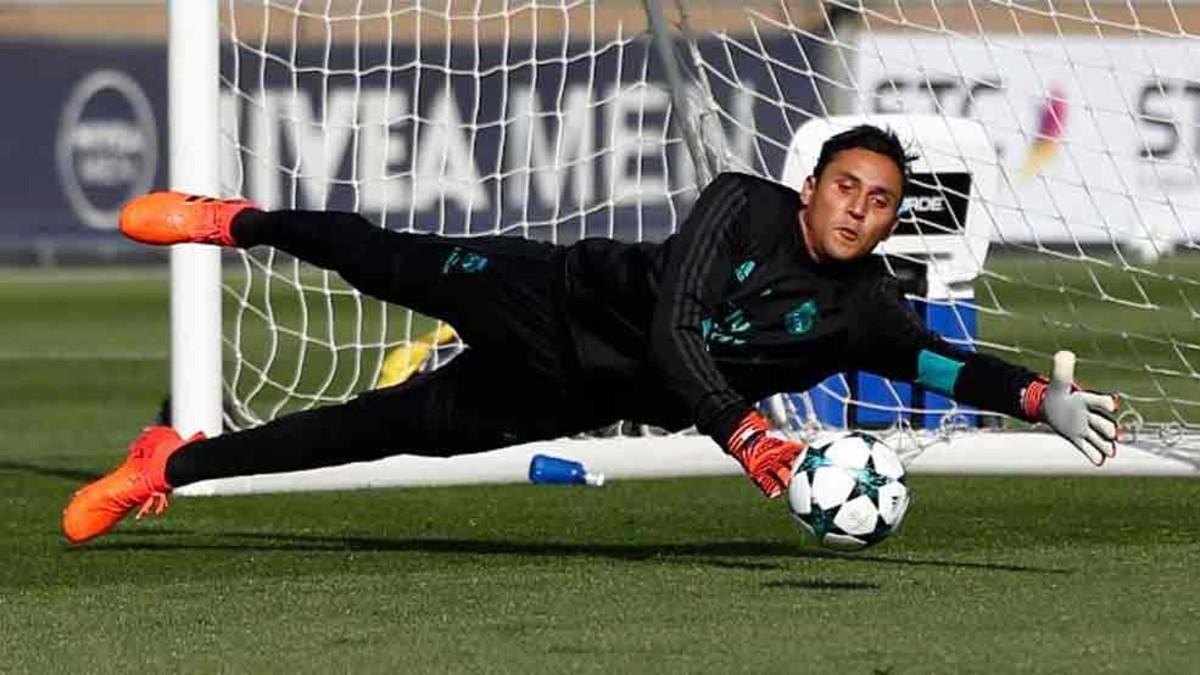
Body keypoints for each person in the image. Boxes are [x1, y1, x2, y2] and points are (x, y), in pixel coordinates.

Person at [62, 125, 1119, 544]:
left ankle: (171, 465)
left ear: (893, 217)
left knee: (370, 431)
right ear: (811, 187)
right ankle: (228, 221)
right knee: (378, 254)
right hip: (551, 295)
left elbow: (937, 360)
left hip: (568, 391)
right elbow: (675, 326)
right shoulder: (743, 203)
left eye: (880, 200)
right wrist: (748, 436)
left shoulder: (866, 310)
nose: (858, 208)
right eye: (846, 185)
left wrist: (1036, 395)